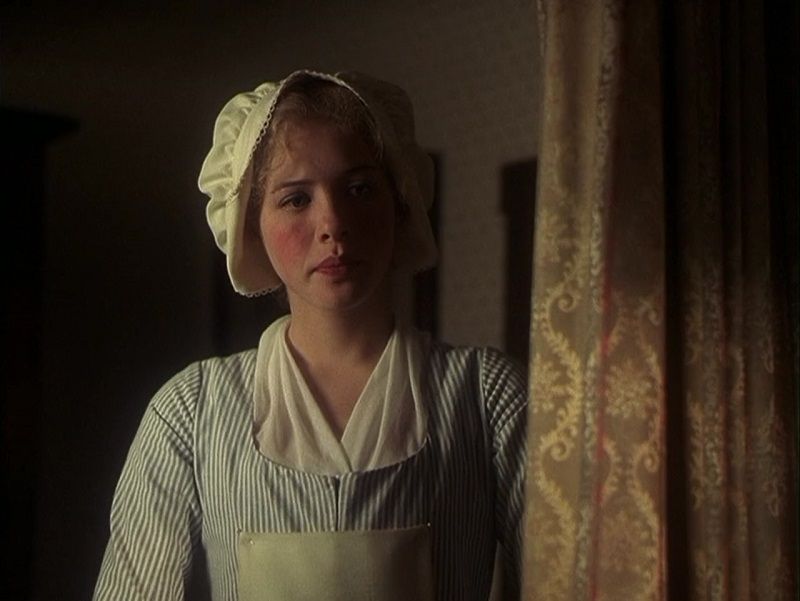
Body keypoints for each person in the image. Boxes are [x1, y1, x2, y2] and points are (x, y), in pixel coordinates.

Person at [93, 70, 528, 601]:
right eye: (296, 199)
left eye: (359, 189)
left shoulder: (488, 397)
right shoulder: (191, 412)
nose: (333, 223)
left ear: (400, 203)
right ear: (250, 224)